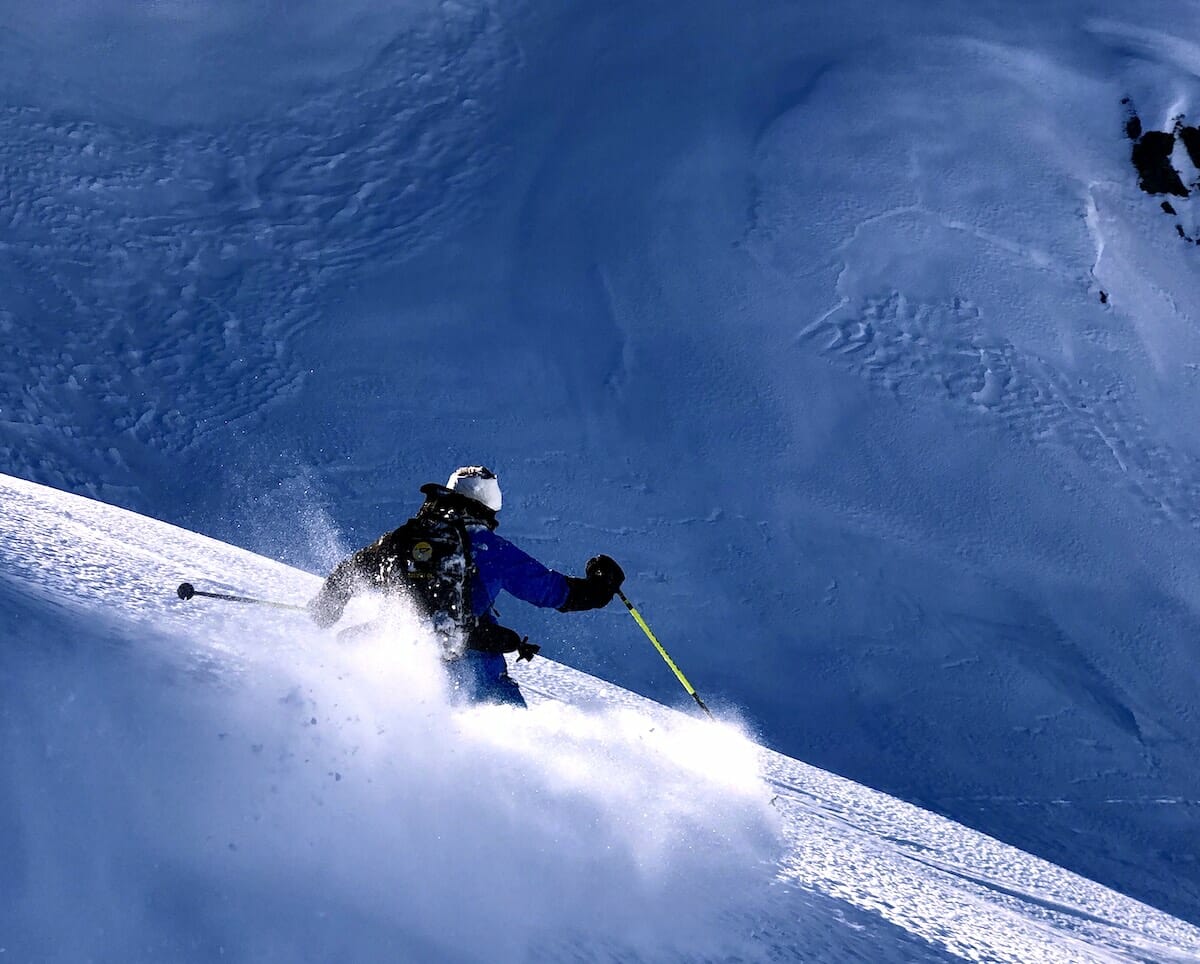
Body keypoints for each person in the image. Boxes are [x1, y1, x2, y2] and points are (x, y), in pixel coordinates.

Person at [307, 466, 625, 707]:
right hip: (469, 670)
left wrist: (326, 606)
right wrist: (601, 589)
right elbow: (552, 592)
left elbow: (353, 570)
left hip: (397, 656)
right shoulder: (490, 549)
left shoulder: (406, 537)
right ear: (488, 501)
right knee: (509, 746)